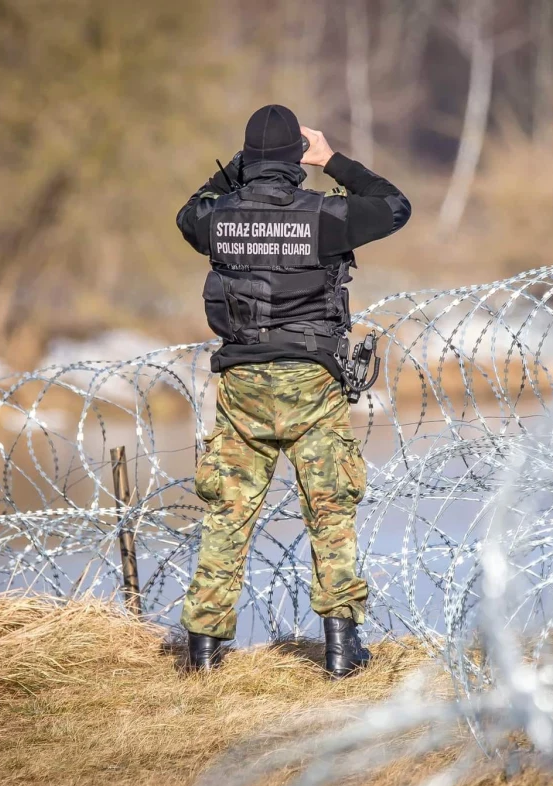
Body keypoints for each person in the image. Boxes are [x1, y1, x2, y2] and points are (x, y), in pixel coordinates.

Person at [175, 104, 411, 676]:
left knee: (228, 512)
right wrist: (333, 160)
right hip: (311, 378)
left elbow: (187, 213)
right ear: (294, 159)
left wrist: (240, 169)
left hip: (242, 382)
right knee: (329, 508)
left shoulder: (217, 218)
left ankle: (203, 653)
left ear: (250, 158)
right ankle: (339, 650)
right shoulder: (325, 216)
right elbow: (395, 207)